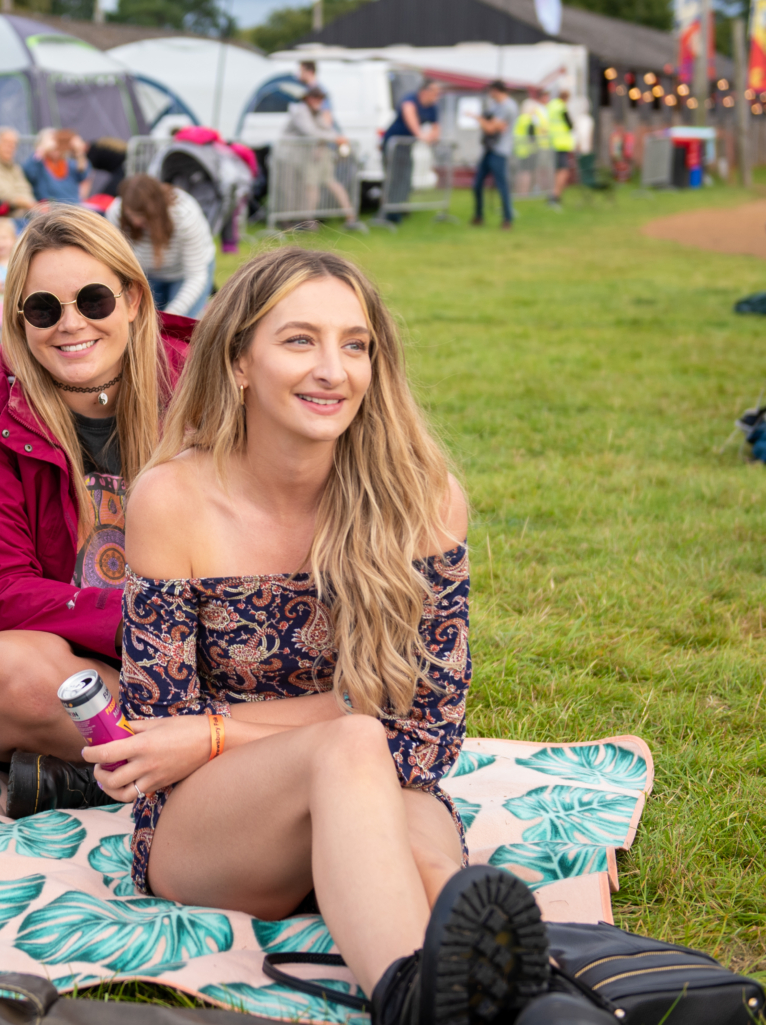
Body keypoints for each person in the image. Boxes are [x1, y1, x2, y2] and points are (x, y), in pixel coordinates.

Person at [88, 245, 550, 1024]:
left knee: (435, 864)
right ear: (239, 361)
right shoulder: (174, 500)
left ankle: (515, 1002)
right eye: (300, 340)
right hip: (215, 825)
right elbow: (161, 736)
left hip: (378, 783)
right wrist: (303, 729)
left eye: (355, 343)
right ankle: (409, 998)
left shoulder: (423, 500)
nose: (333, 368)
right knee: (353, 746)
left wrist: (214, 733)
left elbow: (428, 732)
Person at [0, 205, 191, 818]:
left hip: (207, 643)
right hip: (80, 652)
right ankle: (205, 758)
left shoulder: (198, 379)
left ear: (133, 299)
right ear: (20, 321)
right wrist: (157, 626)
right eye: (44, 310)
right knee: (1, 676)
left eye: (94, 300)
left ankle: (91, 776)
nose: (70, 325)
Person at [105, 174, 216, 318]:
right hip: (146, 275)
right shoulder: (116, 212)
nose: (136, 222)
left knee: (178, 327)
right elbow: (116, 265)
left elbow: (196, 276)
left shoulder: (184, 215)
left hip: (185, 274)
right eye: (132, 215)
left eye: (142, 216)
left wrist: (171, 315)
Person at [281, 86, 361, 230]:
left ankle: (347, 216)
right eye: (317, 98)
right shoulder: (300, 111)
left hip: (312, 155)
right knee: (302, 188)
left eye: (321, 99)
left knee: (318, 185)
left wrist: (337, 137)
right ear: (309, 98)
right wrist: (335, 138)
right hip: (293, 157)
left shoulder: (316, 112)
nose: (319, 102)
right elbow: (311, 131)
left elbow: (325, 128)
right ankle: (300, 220)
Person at [379, 79, 442, 223]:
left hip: (407, 146)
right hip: (393, 145)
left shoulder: (432, 107)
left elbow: (436, 129)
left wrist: (431, 136)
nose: (437, 96)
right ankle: (389, 214)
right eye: (435, 93)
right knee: (393, 179)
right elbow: (412, 121)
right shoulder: (410, 100)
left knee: (405, 179)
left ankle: (400, 208)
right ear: (425, 91)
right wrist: (422, 136)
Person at [472, 81, 518, 229]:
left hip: (500, 151)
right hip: (489, 149)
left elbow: (490, 128)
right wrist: (486, 122)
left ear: (496, 90)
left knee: (501, 185)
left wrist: (478, 119)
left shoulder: (509, 107)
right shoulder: (495, 105)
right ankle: (478, 216)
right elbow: (490, 125)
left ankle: (507, 219)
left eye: (491, 91)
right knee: (477, 184)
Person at [24, 128, 91, 205]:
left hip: (74, 206)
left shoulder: (68, 163)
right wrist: (42, 150)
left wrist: (78, 151)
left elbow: (83, 173)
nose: (56, 146)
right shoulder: (39, 164)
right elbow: (28, 172)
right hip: (52, 210)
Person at [0, 127, 37, 217]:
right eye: (6, 143)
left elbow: (25, 189)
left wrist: (33, 204)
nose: (11, 147)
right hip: (4, 217)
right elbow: (2, 195)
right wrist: (29, 204)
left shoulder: (15, 167)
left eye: (14, 144)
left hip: (24, 213)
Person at [546, 88, 577, 209]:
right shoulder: (562, 108)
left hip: (552, 142)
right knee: (563, 171)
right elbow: (570, 125)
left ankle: (552, 194)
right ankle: (556, 195)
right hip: (562, 144)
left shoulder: (551, 106)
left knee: (555, 171)